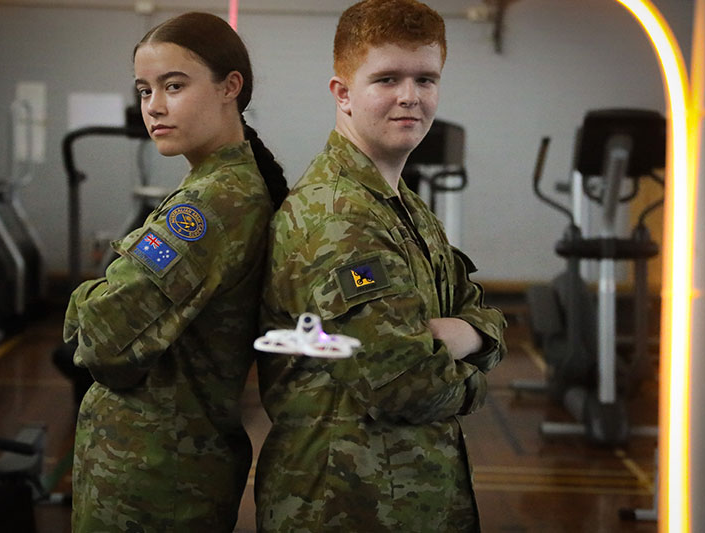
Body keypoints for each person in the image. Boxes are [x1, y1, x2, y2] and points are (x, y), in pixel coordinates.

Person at [255, 1, 507, 531]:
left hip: (404, 499)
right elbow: (405, 383)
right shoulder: (339, 216)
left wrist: (470, 333)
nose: (410, 96)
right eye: (387, 78)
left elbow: (475, 307)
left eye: (425, 79)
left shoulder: (402, 205)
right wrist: (479, 375)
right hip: (346, 506)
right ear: (343, 93)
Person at [62, 12, 288, 532]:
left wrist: (81, 302)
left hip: (154, 476)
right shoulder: (221, 184)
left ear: (230, 87)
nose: (154, 106)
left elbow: (102, 339)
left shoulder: (210, 205)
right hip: (165, 467)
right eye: (145, 90)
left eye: (174, 85)